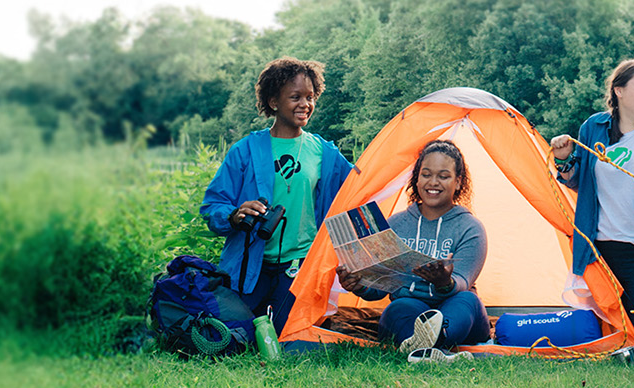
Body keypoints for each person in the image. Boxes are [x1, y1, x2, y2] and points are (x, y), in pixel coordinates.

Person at [199, 57, 354, 334]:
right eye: (295, 97)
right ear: (273, 102)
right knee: (236, 334)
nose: (305, 104)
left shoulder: (324, 152)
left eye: (310, 96)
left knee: (289, 335)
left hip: (300, 264)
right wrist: (233, 216)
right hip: (250, 266)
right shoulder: (245, 150)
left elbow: (361, 186)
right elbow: (213, 206)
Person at [548, 58, 634, 344]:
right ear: (619, 90)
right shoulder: (593, 127)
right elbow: (580, 182)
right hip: (601, 248)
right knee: (608, 334)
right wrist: (563, 160)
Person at [336, 140, 490, 359]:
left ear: (458, 182)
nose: (433, 182)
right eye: (426, 174)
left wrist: (444, 282)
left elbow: (463, 281)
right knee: (396, 308)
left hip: (456, 310)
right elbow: (379, 289)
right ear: (416, 179)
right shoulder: (396, 224)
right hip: (412, 307)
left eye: (443, 176)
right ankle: (437, 354)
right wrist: (358, 284)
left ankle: (430, 343)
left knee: (468, 301)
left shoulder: (470, 228)